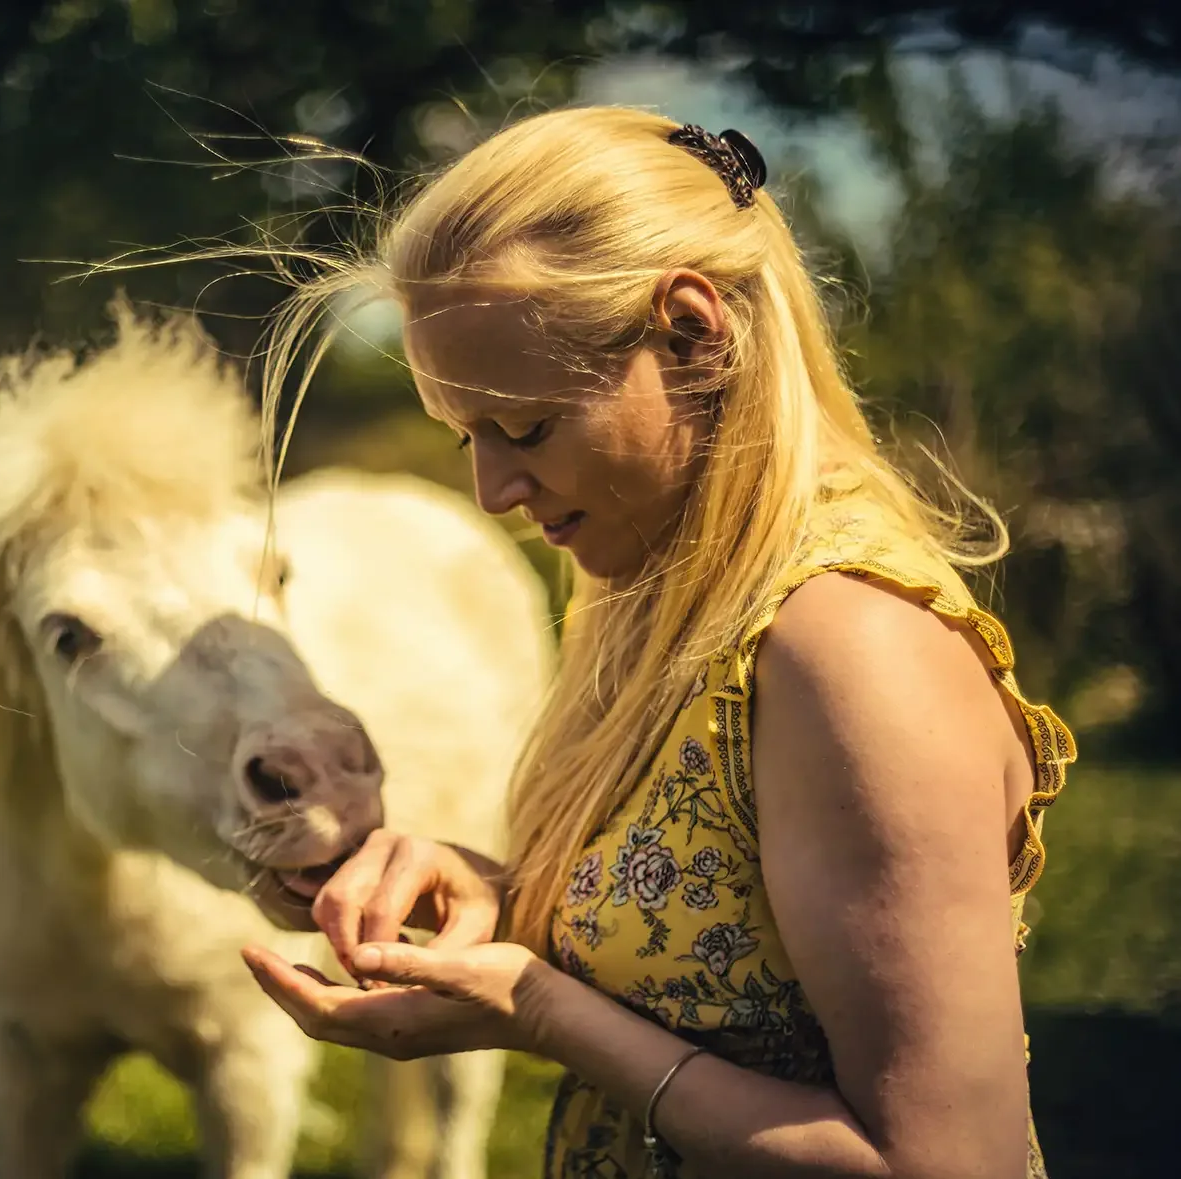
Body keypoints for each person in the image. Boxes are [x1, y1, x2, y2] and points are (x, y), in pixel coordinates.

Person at [232, 106, 1075, 1179]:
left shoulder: (849, 650)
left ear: (691, 332)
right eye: (466, 437)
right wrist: (488, 899)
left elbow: (942, 1164)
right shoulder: (658, 587)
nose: (492, 493)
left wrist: (536, 1007)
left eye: (527, 428)